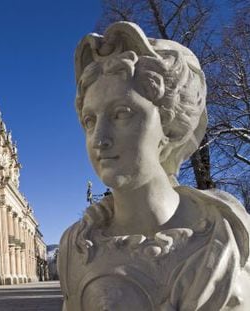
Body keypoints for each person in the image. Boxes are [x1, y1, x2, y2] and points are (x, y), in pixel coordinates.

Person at [58, 22, 250, 311]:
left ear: (169, 127)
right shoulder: (77, 245)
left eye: (122, 114)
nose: (100, 139)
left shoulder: (220, 238)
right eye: (90, 121)